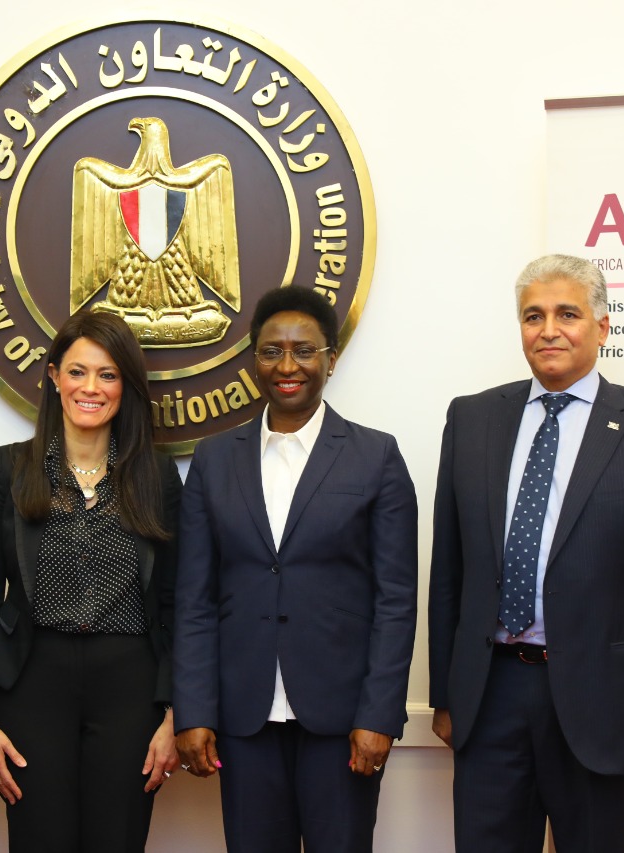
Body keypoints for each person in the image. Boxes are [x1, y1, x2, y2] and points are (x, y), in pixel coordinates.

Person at [427, 254, 624, 853]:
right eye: (533, 316)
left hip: (606, 705)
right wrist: (446, 698)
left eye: (567, 314)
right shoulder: (471, 418)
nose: (548, 330)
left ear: (601, 327)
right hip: (491, 694)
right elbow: (448, 571)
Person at [173, 286, 418, 853]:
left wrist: (380, 715)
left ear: (331, 359)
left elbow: (396, 600)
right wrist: (193, 710)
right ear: (253, 360)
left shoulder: (376, 456)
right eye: (272, 351)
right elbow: (194, 599)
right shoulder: (214, 459)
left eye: (304, 351)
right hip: (243, 720)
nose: (288, 366)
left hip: (344, 722)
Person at [0, 309, 182, 852]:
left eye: (108, 375)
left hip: (131, 687)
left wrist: (177, 712)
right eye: (78, 371)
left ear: (126, 387)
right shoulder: (8, 470)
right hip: (31, 683)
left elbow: (178, 602)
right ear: (54, 376)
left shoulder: (156, 476)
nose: (91, 388)